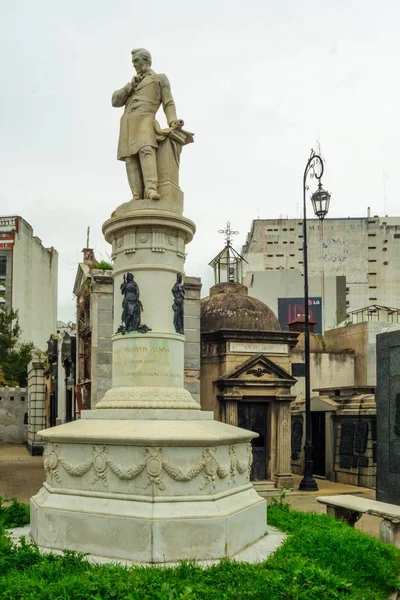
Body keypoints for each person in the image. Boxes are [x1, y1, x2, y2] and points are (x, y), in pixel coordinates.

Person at [112, 48, 183, 201]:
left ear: (146, 60)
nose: (134, 65)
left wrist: (173, 120)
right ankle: (136, 195)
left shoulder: (159, 78)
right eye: (133, 62)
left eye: (136, 61)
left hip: (145, 120)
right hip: (127, 124)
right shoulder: (132, 84)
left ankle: (150, 190)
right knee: (130, 158)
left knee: (146, 151)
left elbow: (168, 102)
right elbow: (115, 101)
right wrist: (130, 86)